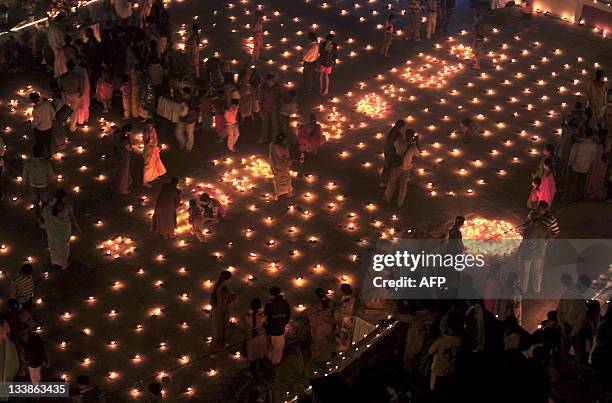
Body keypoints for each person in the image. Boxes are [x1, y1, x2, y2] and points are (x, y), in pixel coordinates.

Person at [41, 189, 80, 269]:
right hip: (64, 230)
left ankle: (54, 261)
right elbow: (73, 218)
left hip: (53, 230)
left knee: (53, 245)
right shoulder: (68, 206)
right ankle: (63, 263)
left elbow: (44, 215)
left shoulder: (49, 207)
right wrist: (78, 227)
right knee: (64, 246)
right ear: (64, 197)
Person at [428, 313, 462, 396]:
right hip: (450, 367)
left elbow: (430, 351)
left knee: (433, 388)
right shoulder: (459, 339)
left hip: (437, 369)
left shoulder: (441, 340)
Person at [557, 275, 589, 364]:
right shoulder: (582, 300)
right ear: (583, 286)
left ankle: (562, 372)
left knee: (563, 354)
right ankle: (577, 374)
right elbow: (581, 319)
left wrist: (562, 327)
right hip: (575, 332)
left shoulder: (565, 295)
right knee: (578, 355)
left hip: (565, 327)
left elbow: (559, 312)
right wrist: (573, 333)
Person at [383, 129, 419, 207]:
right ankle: (400, 203)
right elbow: (417, 154)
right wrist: (415, 142)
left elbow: (394, 145)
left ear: (405, 135)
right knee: (403, 185)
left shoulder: (399, 143)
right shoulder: (412, 147)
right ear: (412, 137)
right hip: (407, 168)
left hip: (397, 166)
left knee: (392, 182)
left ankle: (387, 198)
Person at [517, 213, 550, 294]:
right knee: (537, 272)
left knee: (525, 272)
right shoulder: (544, 228)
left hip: (527, 255)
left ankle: (523, 289)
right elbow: (547, 238)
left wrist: (519, 251)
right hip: (539, 255)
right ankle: (537, 289)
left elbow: (524, 243)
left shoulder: (528, 230)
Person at [22, 145, 56, 223]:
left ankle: (37, 217)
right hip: (44, 186)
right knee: (45, 203)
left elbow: (25, 175)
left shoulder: (28, 162)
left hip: (33, 186)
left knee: (35, 202)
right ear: (42, 153)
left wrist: (24, 185)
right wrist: (54, 181)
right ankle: (45, 217)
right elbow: (51, 175)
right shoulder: (46, 163)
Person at [567, 128, 598, 202]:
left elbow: (572, 155)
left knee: (573, 183)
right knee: (581, 184)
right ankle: (579, 198)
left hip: (576, 166)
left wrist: (570, 164)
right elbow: (593, 157)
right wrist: (589, 164)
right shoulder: (594, 145)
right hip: (586, 167)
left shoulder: (578, 144)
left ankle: (570, 198)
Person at [264, 287, 291, 365]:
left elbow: (265, 319)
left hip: (271, 331)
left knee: (274, 347)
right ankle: (274, 361)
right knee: (278, 348)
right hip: (280, 330)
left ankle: (273, 362)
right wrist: (283, 324)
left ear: (272, 295)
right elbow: (288, 316)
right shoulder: (285, 304)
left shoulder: (269, 306)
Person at [210, 270, 233, 350]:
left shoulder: (219, 285)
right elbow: (221, 305)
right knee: (219, 333)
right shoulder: (222, 290)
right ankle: (215, 350)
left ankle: (217, 348)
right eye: (230, 279)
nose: (231, 280)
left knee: (217, 332)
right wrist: (230, 300)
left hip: (216, 311)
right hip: (220, 313)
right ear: (226, 279)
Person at [309, 288, 334, 361]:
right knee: (325, 344)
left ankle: (318, 359)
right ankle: (326, 357)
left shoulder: (317, 308)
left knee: (318, 344)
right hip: (328, 327)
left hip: (320, 329)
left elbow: (312, 316)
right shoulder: (329, 303)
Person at [245, 298, 268, 376]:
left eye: (254, 305)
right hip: (252, 338)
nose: (252, 306)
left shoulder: (262, 316)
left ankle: (260, 370)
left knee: (260, 355)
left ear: (258, 306)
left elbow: (263, 324)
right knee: (253, 356)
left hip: (259, 338)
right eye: (252, 305)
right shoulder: (248, 316)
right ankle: (254, 372)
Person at [59, 60, 83, 133]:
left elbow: (61, 86)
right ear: (74, 67)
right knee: (74, 112)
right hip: (75, 95)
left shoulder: (63, 76)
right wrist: (80, 94)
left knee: (65, 110)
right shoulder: (77, 76)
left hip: (66, 95)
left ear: (67, 67)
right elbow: (81, 87)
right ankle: (72, 127)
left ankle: (62, 123)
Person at [30, 92, 56, 158]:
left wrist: (32, 125)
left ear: (33, 100)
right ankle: (49, 154)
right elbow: (53, 113)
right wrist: (51, 119)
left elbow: (36, 121)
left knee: (40, 143)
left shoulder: (35, 108)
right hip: (49, 126)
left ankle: (42, 156)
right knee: (48, 142)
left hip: (40, 129)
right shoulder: (47, 103)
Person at [269, 133, 294, 200]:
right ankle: (289, 192)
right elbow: (287, 158)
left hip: (275, 165)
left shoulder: (272, 145)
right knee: (287, 179)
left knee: (277, 180)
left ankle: (278, 194)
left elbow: (271, 156)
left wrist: (272, 165)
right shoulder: (284, 147)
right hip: (283, 166)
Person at [380, 120, 405, 186]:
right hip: (391, 151)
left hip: (386, 149)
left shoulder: (391, 130)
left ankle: (383, 180)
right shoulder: (397, 134)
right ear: (400, 126)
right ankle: (386, 181)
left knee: (386, 164)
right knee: (390, 166)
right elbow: (399, 143)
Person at [142, 119, 166, 187]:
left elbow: (156, 139)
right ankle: (144, 181)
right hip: (148, 151)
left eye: (151, 126)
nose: (149, 127)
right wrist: (150, 139)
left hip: (154, 149)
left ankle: (154, 175)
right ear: (146, 126)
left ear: (153, 125)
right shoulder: (145, 132)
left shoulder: (153, 130)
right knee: (148, 166)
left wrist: (156, 146)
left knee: (155, 163)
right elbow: (146, 143)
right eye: (148, 126)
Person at [585, 130, 608, 198]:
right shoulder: (602, 145)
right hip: (600, 163)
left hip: (597, 163)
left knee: (595, 178)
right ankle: (597, 193)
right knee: (599, 178)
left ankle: (594, 193)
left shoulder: (599, 146)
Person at [111, 125, 133, 195]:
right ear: (126, 132)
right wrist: (129, 138)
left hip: (119, 156)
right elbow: (130, 148)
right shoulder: (125, 140)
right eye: (130, 131)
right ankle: (122, 189)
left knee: (119, 171)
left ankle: (120, 184)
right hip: (124, 157)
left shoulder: (118, 137)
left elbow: (116, 145)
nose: (131, 132)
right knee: (123, 172)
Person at [258, 74, 281, 143]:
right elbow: (260, 99)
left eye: (274, 80)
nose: (273, 81)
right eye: (272, 80)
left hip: (274, 108)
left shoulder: (277, 87)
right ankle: (263, 138)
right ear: (268, 81)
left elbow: (280, 97)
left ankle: (275, 138)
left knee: (275, 124)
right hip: (266, 108)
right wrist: (261, 109)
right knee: (265, 123)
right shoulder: (263, 87)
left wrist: (279, 106)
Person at [334, 284, 356, 353]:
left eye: (341, 291)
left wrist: (338, 311)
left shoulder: (345, 301)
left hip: (345, 320)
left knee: (344, 335)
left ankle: (343, 350)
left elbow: (345, 310)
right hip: (346, 320)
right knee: (345, 335)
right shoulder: (351, 298)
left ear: (343, 291)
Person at [175, 87, 199, 152]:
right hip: (182, 119)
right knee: (178, 133)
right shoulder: (181, 99)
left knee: (189, 134)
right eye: (183, 94)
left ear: (189, 94)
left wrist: (186, 109)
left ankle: (189, 147)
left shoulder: (193, 101)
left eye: (184, 94)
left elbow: (193, 111)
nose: (183, 95)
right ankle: (182, 143)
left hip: (190, 120)